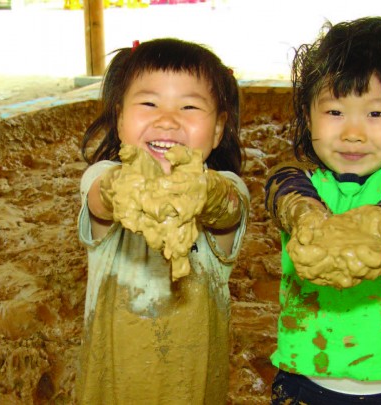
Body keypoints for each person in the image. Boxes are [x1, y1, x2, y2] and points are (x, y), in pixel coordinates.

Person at [264, 17, 381, 404]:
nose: (353, 132)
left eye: (376, 114)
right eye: (334, 112)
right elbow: (283, 192)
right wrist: (307, 216)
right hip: (303, 376)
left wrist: (379, 224)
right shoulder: (301, 184)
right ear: (307, 114)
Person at [75, 38, 251, 404]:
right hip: (111, 388)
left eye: (189, 106)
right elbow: (101, 200)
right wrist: (133, 187)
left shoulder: (226, 188)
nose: (167, 119)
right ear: (120, 118)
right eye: (149, 103)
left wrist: (199, 191)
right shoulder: (103, 177)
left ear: (218, 129)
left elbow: (228, 209)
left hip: (193, 388)